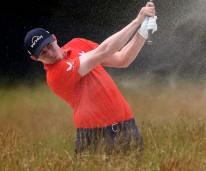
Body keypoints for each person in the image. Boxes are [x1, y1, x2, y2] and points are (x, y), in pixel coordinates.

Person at [24, 2, 157, 157]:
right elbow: (104, 50)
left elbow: (122, 59)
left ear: (54, 38)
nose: (50, 53)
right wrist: (137, 21)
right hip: (96, 136)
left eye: (49, 45)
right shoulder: (55, 75)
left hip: (126, 126)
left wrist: (142, 32)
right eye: (43, 53)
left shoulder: (77, 43)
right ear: (35, 58)